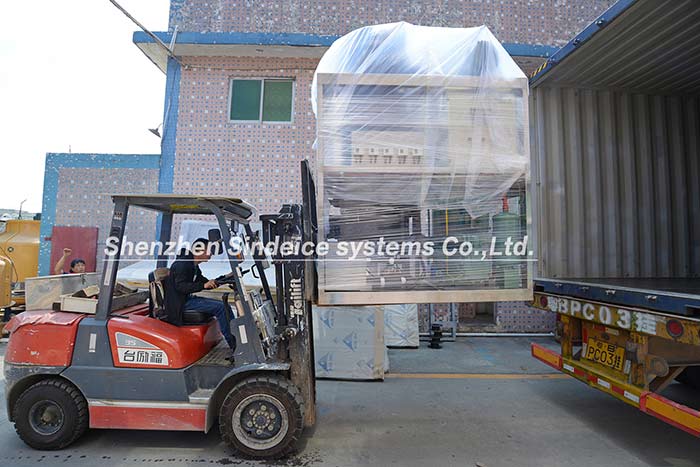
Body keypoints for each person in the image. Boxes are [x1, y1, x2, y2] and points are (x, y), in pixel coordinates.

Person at [164, 238, 236, 350]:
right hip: (180, 305)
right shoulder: (182, 265)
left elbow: (205, 282)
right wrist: (203, 285)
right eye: (209, 250)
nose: (211, 253)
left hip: (187, 300)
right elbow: (181, 287)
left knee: (224, 305)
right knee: (221, 308)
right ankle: (235, 345)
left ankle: (236, 340)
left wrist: (225, 278)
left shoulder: (194, 266)